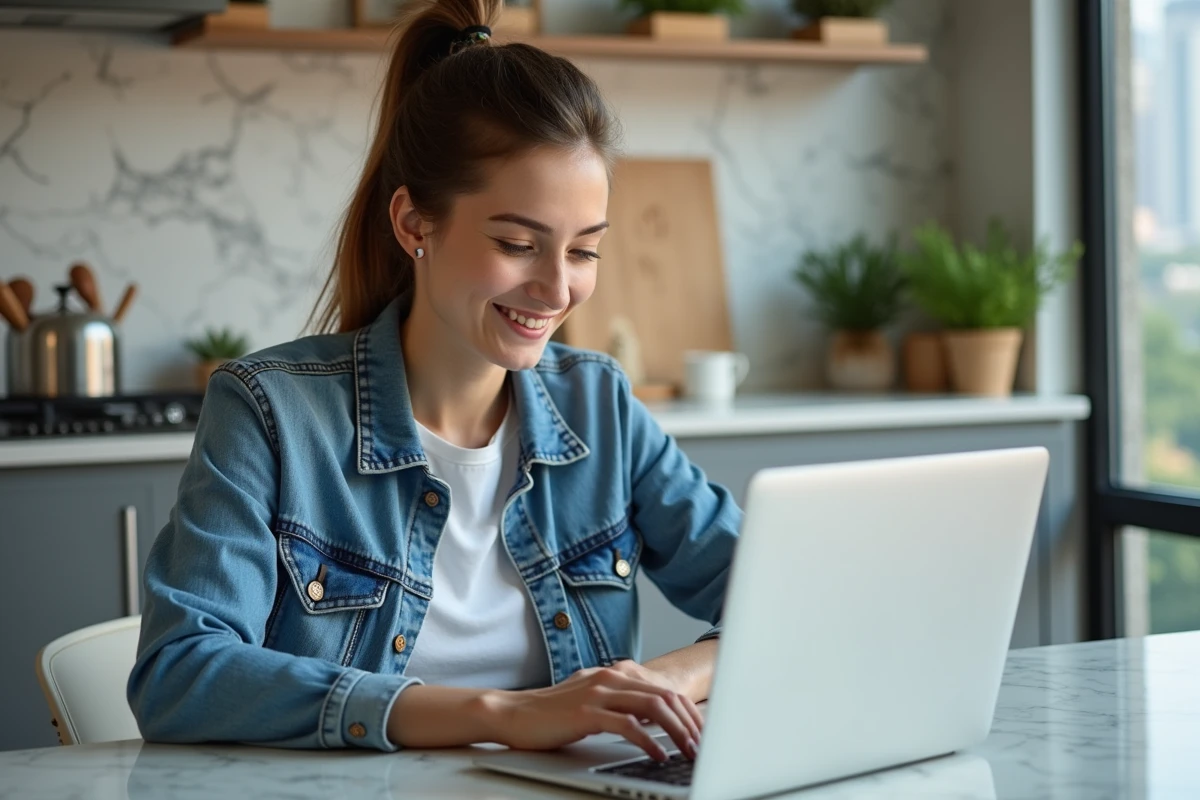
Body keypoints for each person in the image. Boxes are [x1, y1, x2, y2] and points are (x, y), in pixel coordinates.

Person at [127, 0, 741, 762]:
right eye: (518, 243)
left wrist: (657, 683)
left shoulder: (600, 406)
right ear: (415, 224)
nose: (557, 290)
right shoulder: (271, 413)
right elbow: (180, 674)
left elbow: (784, 594)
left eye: (584, 251)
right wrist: (502, 714)